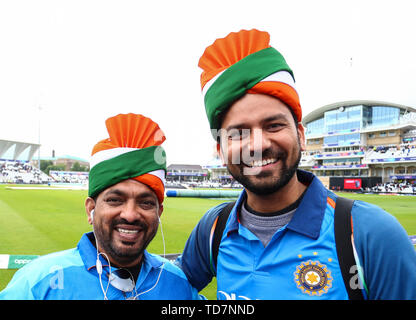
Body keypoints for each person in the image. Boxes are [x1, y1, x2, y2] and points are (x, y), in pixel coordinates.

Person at [177, 29, 416, 300]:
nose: (257, 144)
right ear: (221, 150)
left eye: (274, 125)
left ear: (301, 136)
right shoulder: (213, 229)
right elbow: (167, 288)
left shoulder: (370, 234)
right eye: (238, 133)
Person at [0, 113, 199, 300]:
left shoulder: (179, 285)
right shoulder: (37, 283)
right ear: (90, 210)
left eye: (146, 203)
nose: (130, 215)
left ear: (159, 212)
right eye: (115, 200)